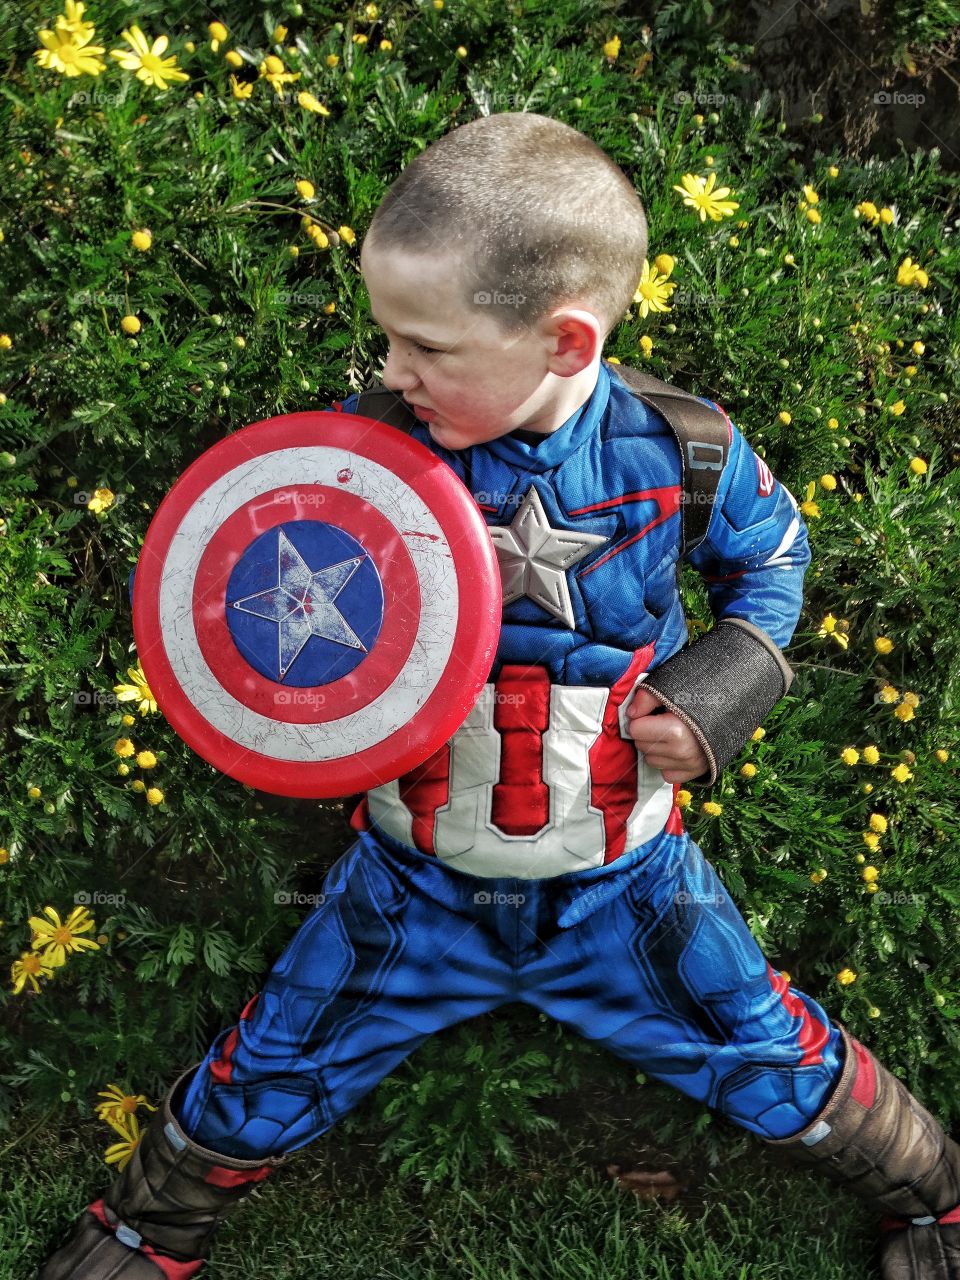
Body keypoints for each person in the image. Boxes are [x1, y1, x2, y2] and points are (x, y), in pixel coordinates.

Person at [41, 112, 960, 1280]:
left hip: (626, 880)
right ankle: (146, 1231)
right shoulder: (355, 454)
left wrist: (719, 691)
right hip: (409, 880)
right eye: (387, 338)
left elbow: (774, 558)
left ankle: (939, 1201)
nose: (392, 371)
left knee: (765, 1044)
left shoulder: (685, 450)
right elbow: (240, 585)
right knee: (276, 1058)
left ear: (564, 340)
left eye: (425, 345)